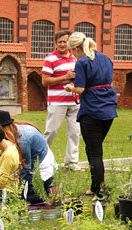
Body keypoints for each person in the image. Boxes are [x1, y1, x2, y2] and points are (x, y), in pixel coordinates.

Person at [64, 32, 118, 201]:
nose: (72, 54)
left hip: (92, 110)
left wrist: (69, 88)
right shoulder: (106, 58)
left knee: (95, 153)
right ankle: (94, 186)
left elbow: (80, 89)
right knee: (92, 149)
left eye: (72, 51)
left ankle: (101, 193)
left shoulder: (82, 62)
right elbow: (99, 77)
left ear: (77, 48)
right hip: (108, 109)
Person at [0, 110, 54, 203]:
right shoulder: (8, 136)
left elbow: (24, 169)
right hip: (30, 166)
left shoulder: (22, 139)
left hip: (42, 171)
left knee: (22, 198)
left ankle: (40, 194)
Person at [42, 30, 81, 171]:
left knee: (74, 133)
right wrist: (65, 77)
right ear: (56, 43)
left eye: (65, 41)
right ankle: (41, 159)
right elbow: (45, 81)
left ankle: (72, 164)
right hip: (57, 102)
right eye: (60, 42)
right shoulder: (50, 59)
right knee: (51, 131)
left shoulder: (76, 58)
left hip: (75, 101)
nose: (62, 44)